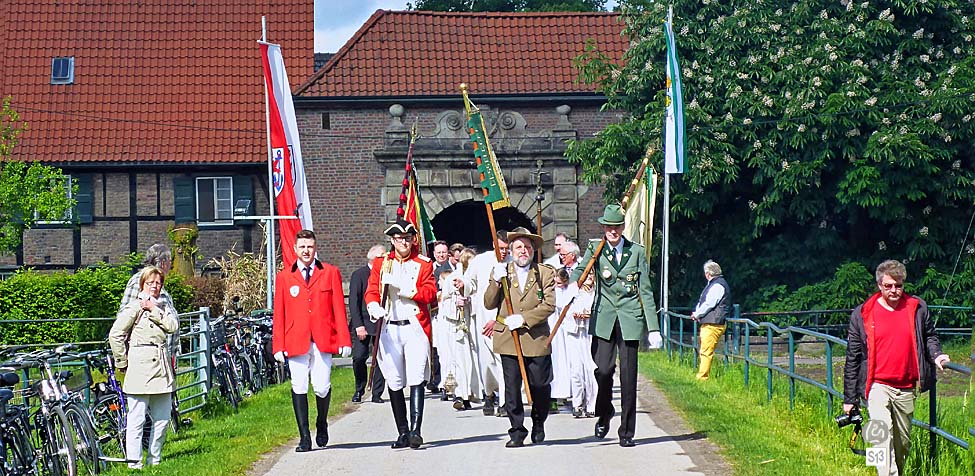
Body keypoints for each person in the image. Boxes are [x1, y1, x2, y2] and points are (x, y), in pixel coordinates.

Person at [843, 260, 950, 476]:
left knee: (902, 446)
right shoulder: (863, 313)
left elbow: (930, 337)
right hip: (876, 386)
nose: (894, 290)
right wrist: (849, 398)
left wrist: (937, 355)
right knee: (881, 438)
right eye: (889, 286)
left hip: (906, 388)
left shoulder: (917, 307)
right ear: (879, 286)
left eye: (898, 285)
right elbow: (853, 357)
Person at [571, 204, 660, 448]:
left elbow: (645, 291)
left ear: (623, 227)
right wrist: (569, 284)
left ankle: (627, 432)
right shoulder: (595, 248)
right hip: (604, 318)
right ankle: (604, 410)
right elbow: (581, 269)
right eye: (609, 227)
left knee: (629, 378)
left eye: (617, 227)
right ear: (604, 228)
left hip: (630, 318)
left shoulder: (636, 252)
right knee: (603, 370)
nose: (613, 231)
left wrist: (653, 327)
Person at [272, 229, 352, 452]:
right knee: (298, 386)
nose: (306, 251)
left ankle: (321, 423)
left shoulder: (329, 272)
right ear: (295, 250)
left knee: (322, 386)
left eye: (310, 246)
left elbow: (338, 309)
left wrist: (344, 340)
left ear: (315, 248)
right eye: (302, 247)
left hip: (322, 338)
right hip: (295, 340)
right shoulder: (285, 277)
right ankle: (304, 436)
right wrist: (278, 345)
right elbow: (279, 312)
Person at [365, 218, 438, 449]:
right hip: (390, 325)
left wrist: (404, 288)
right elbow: (372, 291)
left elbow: (430, 294)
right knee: (394, 380)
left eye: (407, 238)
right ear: (392, 241)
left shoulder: (424, 263)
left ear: (413, 239)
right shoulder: (382, 263)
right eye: (398, 239)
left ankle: (416, 431)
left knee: (416, 377)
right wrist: (373, 306)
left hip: (414, 326)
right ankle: (403, 432)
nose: (403, 242)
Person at [483, 227, 556, 448]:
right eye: (518, 247)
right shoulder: (502, 271)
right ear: (511, 250)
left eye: (526, 246)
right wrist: (495, 281)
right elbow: (489, 303)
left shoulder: (544, 273)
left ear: (533, 249)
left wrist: (524, 318)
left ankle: (538, 421)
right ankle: (516, 430)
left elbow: (549, 305)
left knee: (540, 386)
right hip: (508, 337)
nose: (522, 251)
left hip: (535, 337)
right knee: (512, 387)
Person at [108, 266, 179, 469]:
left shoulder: (163, 307)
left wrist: (153, 309)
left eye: (158, 283)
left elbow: (172, 326)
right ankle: (134, 463)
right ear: (142, 285)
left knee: (162, 419)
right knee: (136, 419)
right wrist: (122, 362)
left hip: (161, 368)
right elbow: (115, 335)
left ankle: (154, 460)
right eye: (150, 283)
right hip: (140, 368)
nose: (154, 287)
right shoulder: (133, 307)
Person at [467, 230, 510, 416]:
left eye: (507, 249)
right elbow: (469, 282)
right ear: (494, 245)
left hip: (504, 319)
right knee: (486, 361)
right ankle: (489, 393)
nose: (504, 252)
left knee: (504, 360)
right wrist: (463, 286)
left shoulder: (513, 263)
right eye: (501, 248)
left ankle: (505, 401)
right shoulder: (481, 261)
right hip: (483, 318)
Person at [119, 244, 178, 357]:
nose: (171, 265)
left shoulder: (158, 281)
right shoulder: (139, 280)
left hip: (164, 353)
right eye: (170, 261)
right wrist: (124, 355)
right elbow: (124, 315)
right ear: (163, 262)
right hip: (147, 354)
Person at [442, 248, 481, 410]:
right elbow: (444, 302)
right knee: (459, 360)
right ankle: (460, 394)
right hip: (457, 326)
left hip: (473, 325)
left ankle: (473, 393)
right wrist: (455, 303)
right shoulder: (453, 279)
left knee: (473, 361)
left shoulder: (475, 280)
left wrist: (470, 300)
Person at [348, 244, 388, 404]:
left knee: (381, 359)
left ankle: (377, 392)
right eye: (383, 255)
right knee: (359, 357)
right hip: (363, 322)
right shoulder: (359, 275)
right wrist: (359, 325)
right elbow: (354, 301)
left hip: (382, 322)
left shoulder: (386, 274)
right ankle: (359, 388)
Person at [690, 260, 731, 381]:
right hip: (711, 322)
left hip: (713, 323)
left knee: (706, 351)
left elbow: (709, 303)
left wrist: (697, 314)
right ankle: (702, 375)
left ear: (708, 274)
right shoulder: (716, 284)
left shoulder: (717, 286)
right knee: (704, 350)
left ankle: (702, 377)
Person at [564, 270, 598, 418]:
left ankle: (592, 404)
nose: (589, 277)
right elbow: (563, 309)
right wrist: (575, 315)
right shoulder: (574, 292)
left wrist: (590, 315)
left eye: (592, 274)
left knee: (591, 370)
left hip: (590, 334)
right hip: (575, 333)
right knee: (576, 369)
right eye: (587, 274)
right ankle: (577, 403)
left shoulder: (597, 294)